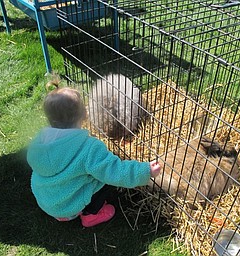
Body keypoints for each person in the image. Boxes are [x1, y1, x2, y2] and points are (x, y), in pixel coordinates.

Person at [26, 82, 161, 228]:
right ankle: (91, 214)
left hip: (47, 202)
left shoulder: (38, 143)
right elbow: (114, 171)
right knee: (103, 178)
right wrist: (145, 171)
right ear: (84, 115)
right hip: (69, 208)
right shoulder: (88, 148)